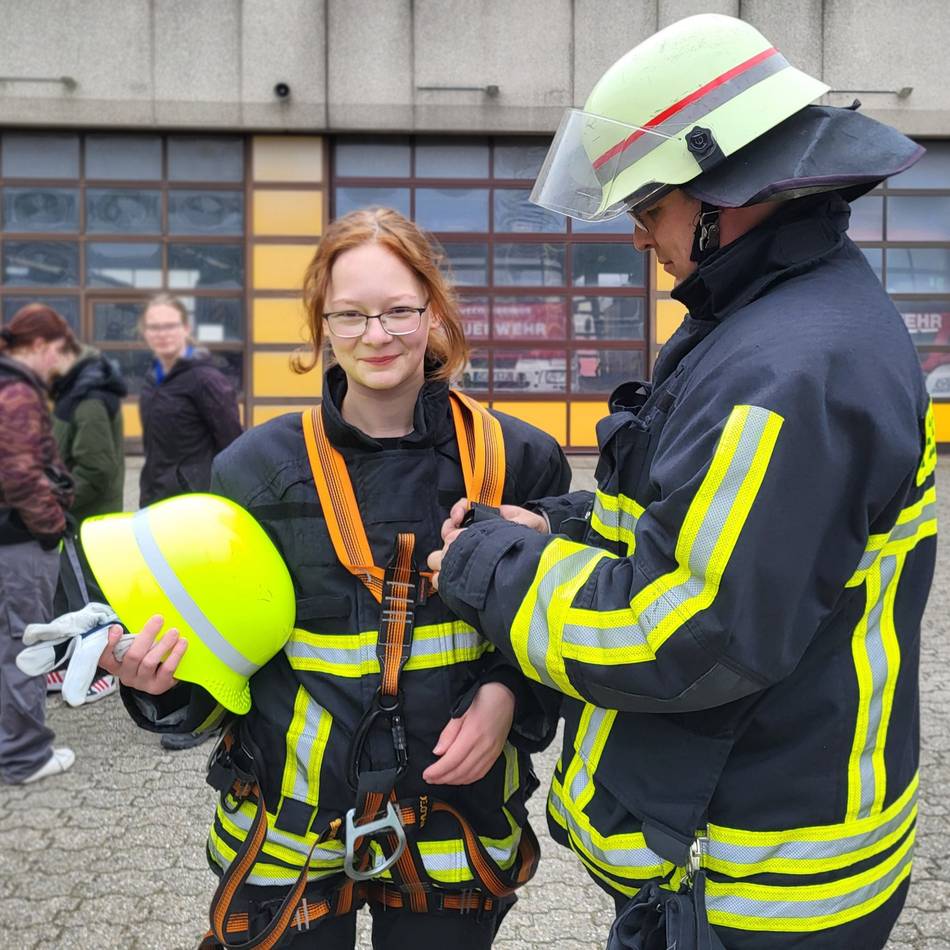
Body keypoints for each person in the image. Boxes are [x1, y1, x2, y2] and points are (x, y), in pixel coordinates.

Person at [428, 14, 936, 950]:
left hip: (756, 887)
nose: (637, 237)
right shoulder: (778, 316)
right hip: (740, 844)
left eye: (649, 209)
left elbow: (678, 635)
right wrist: (555, 530)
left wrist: (488, 566)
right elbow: (700, 524)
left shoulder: (786, 372)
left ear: (726, 190)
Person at [98, 208, 571, 949]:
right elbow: (219, 666)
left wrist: (512, 697)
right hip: (291, 829)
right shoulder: (254, 471)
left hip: (453, 823)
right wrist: (162, 687)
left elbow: (568, 622)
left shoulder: (520, 459)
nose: (375, 336)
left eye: (398, 311)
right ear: (321, 322)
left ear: (435, 313)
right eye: (349, 314)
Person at [138, 292, 242, 749]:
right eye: (153, 326)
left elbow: (232, 446)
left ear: (185, 329)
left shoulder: (205, 380)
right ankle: (172, 692)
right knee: (166, 605)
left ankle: (207, 709)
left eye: (168, 325)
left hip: (196, 508)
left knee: (199, 611)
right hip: (158, 502)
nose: (161, 333)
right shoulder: (153, 379)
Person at [0, 305, 79, 784]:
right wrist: (51, 525)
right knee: (24, 645)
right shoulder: (17, 393)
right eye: (58, 353)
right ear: (41, 346)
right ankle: (26, 758)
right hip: (20, 542)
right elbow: (19, 473)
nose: (57, 364)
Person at [47, 337, 127, 702]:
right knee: (65, 596)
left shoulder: (89, 398)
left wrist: (55, 500)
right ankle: (66, 664)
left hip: (83, 520)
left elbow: (96, 470)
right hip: (69, 516)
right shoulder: (73, 392)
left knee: (87, 599)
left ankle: (103, 672)